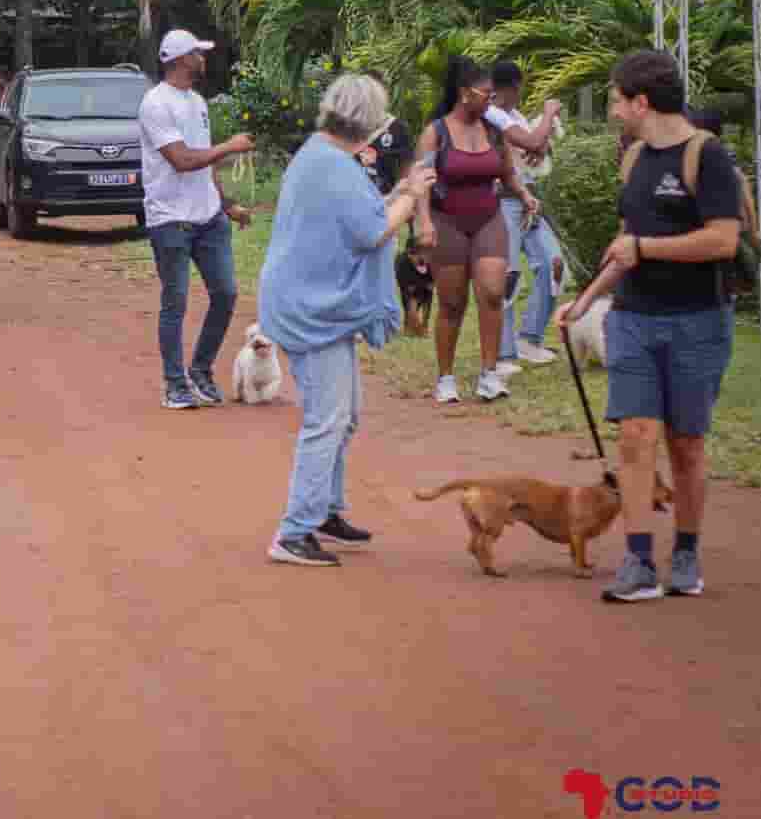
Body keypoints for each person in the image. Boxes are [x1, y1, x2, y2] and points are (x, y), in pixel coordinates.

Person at [556, 51, 741, 604]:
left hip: (697, 319)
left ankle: (685, 551)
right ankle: (637, 559)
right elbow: (623, 246)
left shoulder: (707, 157)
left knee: (685, 444)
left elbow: (723, 241)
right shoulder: (633, 159)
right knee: (635, 436)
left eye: (615, 98)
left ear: (641, 101)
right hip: (633, 318)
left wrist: (646, 248)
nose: (612, 109)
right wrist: (585, 300)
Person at [260, 75, 437, 566]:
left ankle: (324, 511)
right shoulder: (333, 166)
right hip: (311, 309)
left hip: (313, 303)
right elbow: (372, 231)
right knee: (328, 418)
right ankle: (294, 531)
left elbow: (360, 216)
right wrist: (413, 192)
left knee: (345, 414)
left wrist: (400, 190)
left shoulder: (322, 156)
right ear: (368, 123)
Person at [139, 29, 254, 410]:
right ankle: (175, 384)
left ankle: (200, 370)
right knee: (176, 301)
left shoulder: (197, 101)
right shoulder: (155, 104)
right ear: (179, 59)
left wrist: (226, 205)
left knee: (226, 293)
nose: (203, 58)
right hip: (170, 219)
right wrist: (230, 146)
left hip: (207, 218)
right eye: (197, 53)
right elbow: (182, 160)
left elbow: (205, 161)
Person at [415, 56, 537, 405]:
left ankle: (489, 374)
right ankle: (446, 377)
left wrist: (525, 195)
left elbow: (507, 172)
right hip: (447, 221)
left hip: (488, 219)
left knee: (493, 293)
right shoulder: (435, 132)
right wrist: (424, 223)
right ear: (464, 94)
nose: (492, 100)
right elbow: (420, 182)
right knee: (452, 303)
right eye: (486, 94)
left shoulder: (494, 130)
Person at [485, 60, 566, 373]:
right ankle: (503, 353)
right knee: (507, 276)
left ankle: (529, 339)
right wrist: (547, 115)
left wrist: (540, 137)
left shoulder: (514, 116)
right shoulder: (491, 115)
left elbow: (536, 150)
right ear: (515, 87)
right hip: (502, 200)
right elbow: (532, 142)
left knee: (553, 263)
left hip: (528, 198)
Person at [355, 69, 411, 197]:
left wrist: (399, 200)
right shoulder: (344, 126)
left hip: (383, 204)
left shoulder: (397, 128)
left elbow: (405, 173)